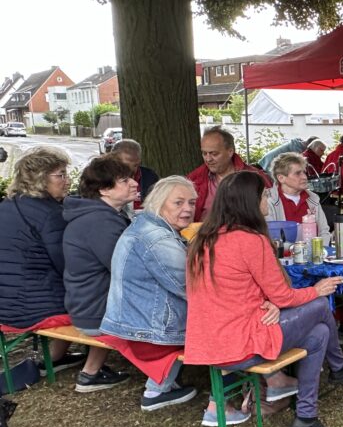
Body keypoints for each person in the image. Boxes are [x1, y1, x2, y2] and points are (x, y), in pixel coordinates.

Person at [185, 171, 343, 427]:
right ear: (250, 202)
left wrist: (265, 302)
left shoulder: (202, 240)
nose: (267, 200)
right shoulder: (250, 240)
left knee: (319, 333)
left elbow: (223, 290)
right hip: (241, 343)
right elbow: (284, 296)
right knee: (320, 304)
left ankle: (306, 418)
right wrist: (315, 290)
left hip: (210, 342)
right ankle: (340, 367)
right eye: (263, 195)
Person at [100, 177, 202, 411]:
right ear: (158, 203)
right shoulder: (157, 238)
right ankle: (158, 391)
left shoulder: (145, 225)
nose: (187, 209)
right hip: (148, 331)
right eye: (178, 203)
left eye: (191, 202)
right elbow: (191, 289)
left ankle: (159, 386)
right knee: (227, 321)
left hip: (132, 321)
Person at [0, 147, 83, 371]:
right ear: (39, 178)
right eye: (60, 175)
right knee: (92, 298)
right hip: (33, 309)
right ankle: (81, 367)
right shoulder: (50, 213)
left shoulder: (7, 205)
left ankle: (55, 358)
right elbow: (67, 265)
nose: (66, 181)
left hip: (4, 303)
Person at [62, 155, 137, 392]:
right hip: (96, 313)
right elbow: (128, 270)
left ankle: (91, 372)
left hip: (84, 305)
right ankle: (162, 384)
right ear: (104, 190)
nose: (134, 183)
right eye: (124, 181)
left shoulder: (97, 215)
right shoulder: (100, 222)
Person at [188, 126, 267, 222]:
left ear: (230, 152)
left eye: (214, 154)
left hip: (246, 234)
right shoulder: (193, 179)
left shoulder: (256, 177)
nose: (208, 159)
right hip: (205, 235)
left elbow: (272, 213)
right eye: (204, 153)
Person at [265, 153, 330, 237]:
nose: (304, 177)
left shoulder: (313, 198)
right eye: (298, 173)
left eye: (304, 172)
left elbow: (324, 232)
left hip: (315, 249)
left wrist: (321, 249)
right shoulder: (267, 200)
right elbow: (270, 238)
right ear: (281, 178)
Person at [110, 138, 160, 210]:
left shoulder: (150, 176)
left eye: (136, 165)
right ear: (113, 160)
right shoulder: (103, 177)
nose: (132, 169)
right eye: (126, 165)